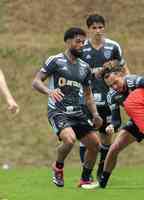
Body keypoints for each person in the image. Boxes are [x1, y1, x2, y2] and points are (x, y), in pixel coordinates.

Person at [32, 27, 103, 188]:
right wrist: (49, 91)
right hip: (58, 111)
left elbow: (88, 94)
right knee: (69, 140)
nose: (81, 45)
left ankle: (85, 179)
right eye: (78, 41)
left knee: (95, 145)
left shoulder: (84, 67)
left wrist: (95, 114)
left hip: (77, 113)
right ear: (68, 41)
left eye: (83, 42)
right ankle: (58, 167)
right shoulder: (55, 60)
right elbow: (36, 81)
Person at [79, 13, 129, 180]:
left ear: (104, 28)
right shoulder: (81, 48)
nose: (98, 31)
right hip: (87, 99)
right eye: (94, 28)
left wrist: (128, 87)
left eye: (100, 27)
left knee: (107, 137)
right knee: (86, 138)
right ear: (88, 30)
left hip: (109, 99)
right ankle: (86, 174)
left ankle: (101, 171)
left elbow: (123, 68)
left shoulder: (113, 47)